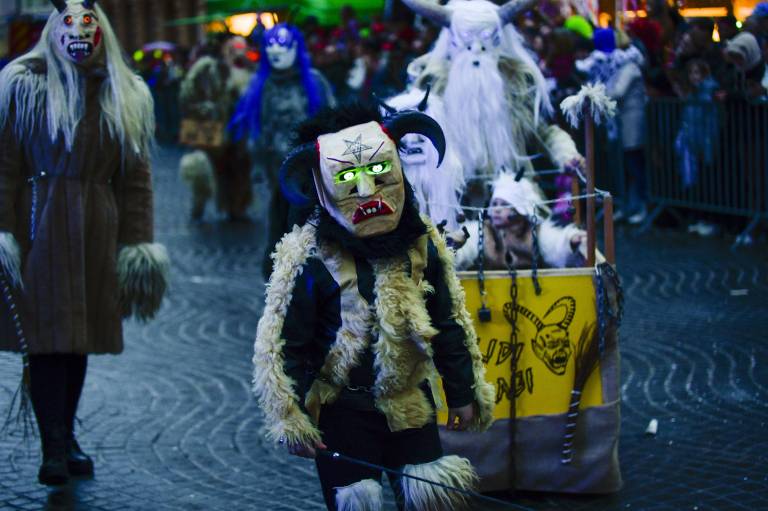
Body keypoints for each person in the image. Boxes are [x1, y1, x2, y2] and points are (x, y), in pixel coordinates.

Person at [252, 103, 495, 511]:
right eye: (348, 177)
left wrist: (462, 391)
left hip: (410, 404)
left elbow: (449, 320)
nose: (367, 192)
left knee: (430, 501)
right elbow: (284, 345)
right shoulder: (308, 259)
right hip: (342, 411)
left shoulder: (422, 244)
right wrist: (290, 416)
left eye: (378, 171)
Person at [0, 0, 169, 486]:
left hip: (97, 231)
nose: (78, 35)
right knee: (45, 341)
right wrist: (5, 230)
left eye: (88, 26)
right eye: (69, 26)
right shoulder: (23, 87)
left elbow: (136, 181)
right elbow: (5, 167)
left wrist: (136, 245)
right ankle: (53, 446)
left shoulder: (125, 94)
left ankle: (65, 434)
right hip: (38, 229)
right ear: (55, 32)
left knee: (77, 341)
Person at [403, 0, 584, 206]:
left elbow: (543, 133)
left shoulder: (515, 84)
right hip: (452, 203)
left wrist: (566, 155)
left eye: (485, 40)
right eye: (467, 41)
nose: (476, 50)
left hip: (512, 201)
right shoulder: (430, 87)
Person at [229, 23, 334, 277]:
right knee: (282, 217)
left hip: (313, 168)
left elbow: (330, 119)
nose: (276, 53)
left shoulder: (315, 82)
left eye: (283, 47)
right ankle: (282, 271)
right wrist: (256, 163)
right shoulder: (260, 86)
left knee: (316, 217)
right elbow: (256, 128)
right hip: (277, 170)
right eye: (271, 48)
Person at [178, 35, 253, 222]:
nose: (236, 51)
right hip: (209, 128)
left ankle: (236, 207)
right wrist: (207, 110)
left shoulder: (247, 71)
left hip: (235, 132)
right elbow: (188, 97)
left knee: (237, 169)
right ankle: (200, 203)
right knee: (203, 169)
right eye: (232, 47)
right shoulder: (205, 68)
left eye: (240, 48)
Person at [453, 173, 587, 270]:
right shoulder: (481, 231)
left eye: (504, 205)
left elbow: (555, 245)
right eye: (494, 204)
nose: (497, 209)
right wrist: (453, 250)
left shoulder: (535, 232)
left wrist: (571, 240)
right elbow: (465, 250)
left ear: (519, 210)